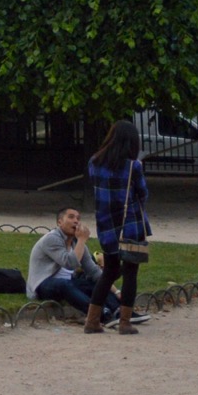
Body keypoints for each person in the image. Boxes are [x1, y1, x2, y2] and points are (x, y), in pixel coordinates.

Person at [86, 119, 149, 337]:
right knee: (131, 272)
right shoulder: (134, 166)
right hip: (130, 225)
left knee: (110, 272)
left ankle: (92, 321)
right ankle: (124, 322)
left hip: (105, 224)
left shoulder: (94, 162)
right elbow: (143, 195)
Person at [25, 206, 142, 324]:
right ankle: (100, 314)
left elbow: (94, 271)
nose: (76, 221)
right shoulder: (51, 239)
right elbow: (70, 263)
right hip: (43, 284)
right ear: (59, 222)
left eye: (78, 218)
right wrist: (81, 240)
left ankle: (120, 312)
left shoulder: (77, 242)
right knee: (64, 284)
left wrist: (116, 291)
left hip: (69, 282)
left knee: (94, 284)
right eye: (71, 217)